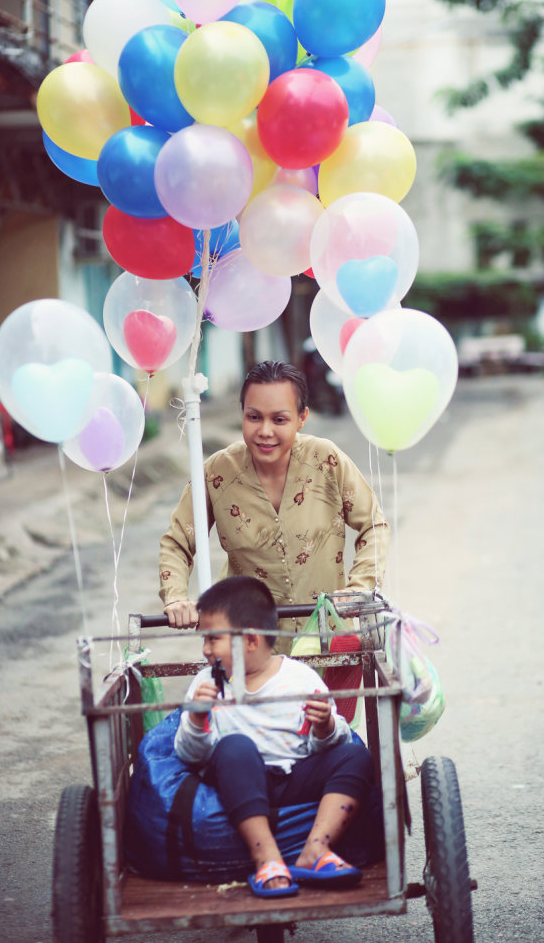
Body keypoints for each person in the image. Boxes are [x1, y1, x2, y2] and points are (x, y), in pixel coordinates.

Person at [174, 576, 375, 897]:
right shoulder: (206, 684)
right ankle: (267, 858)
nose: (205, 650)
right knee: (235, 747)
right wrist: (197, 719)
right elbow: (189, 755)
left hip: (295, 777)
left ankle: (316, 850)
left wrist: (325, 727)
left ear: (251, 641)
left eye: (213, 639)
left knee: (355, 754)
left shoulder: (299, 678)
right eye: (204, 640)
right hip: (240, 785)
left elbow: (327, 744)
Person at [159, 360, 389, 634]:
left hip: (327, 636)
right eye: (254, 417)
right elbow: (177, 542)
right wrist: (176, 597)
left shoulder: (326, 460)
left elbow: (373, 525)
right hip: (249, 640)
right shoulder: (216, 472)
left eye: (279, 419)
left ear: (302, 418)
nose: (265, 431)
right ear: (242, 414)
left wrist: (359, 588)